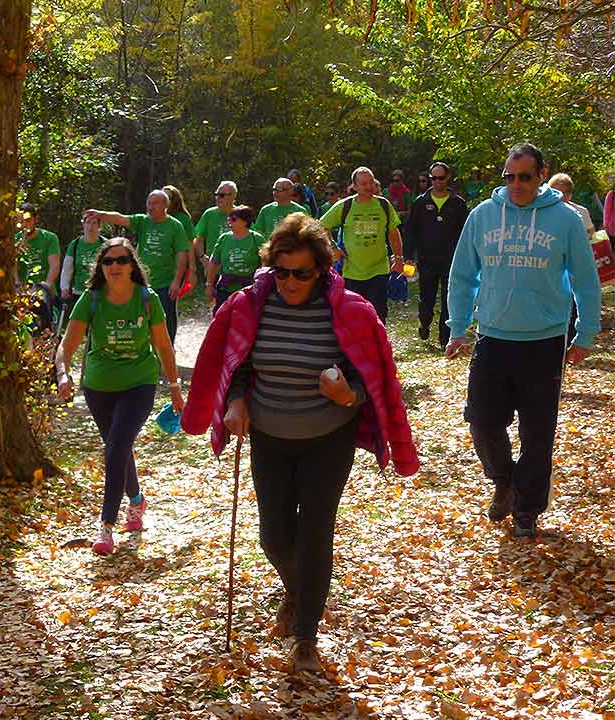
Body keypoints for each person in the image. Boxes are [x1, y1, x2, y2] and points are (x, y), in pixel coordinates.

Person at [182, 214, 418, 675]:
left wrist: (347, 394)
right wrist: (235, 400)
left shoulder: (349, 311)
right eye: (282, 271)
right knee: (273, 535)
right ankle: (299, 588)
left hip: (329, 437)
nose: (290, 282)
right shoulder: (251, 307)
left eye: (302, 273)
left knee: (315, 531)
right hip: (270, 435)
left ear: (322, 269)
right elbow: (239, 364)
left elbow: (372, 377)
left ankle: (306, 634)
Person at [446, 143, 601, 537]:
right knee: (482, 422)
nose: (517, 184)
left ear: (541, 175)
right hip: (493, 337)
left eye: (525, 177)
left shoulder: (565, 219)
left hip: (544, 342)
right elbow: (462, 275)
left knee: (537, 434)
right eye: (510, 177)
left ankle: (527, 510)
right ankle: (504, 481)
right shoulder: (483, 216)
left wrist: (585, 333)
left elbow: (585, 279)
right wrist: (458, 327)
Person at [54, 238, 183, 555]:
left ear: (132, 265)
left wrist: (175, 387)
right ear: (100, 266)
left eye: (121, 260)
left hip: (139, 383)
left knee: (116, 447)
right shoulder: (91, 299)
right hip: (98, 387)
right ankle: (136, 500)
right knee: (118, 447)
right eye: (108, 261)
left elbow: (163, 345)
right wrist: (63, 374)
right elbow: (67, 345)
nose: (115, 266)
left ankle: (106, 527)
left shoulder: (147, 299)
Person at [84, 190, 191, 345]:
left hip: (165, 283)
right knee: (140, 318)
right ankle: (143, 349)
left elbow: (182, 255)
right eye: (149, 203)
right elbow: (121, 218)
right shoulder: (143, 221)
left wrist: (176, 281)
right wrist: (100, 214)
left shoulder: (175, 226)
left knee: (166, 319)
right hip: (142, 282)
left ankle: (167, 349)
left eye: (155, 203)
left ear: (165, 206)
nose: (150, 207)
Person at [319, 167, 404, 323]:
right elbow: (322, 226)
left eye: (371, 182)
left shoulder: (383, 205)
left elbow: (393, 232)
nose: (369, 187)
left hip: (379, 269)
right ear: (354, 186)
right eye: (364, 184)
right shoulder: (345, 206)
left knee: (378, 315)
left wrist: (398, 257)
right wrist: (333, 247)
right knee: (354, 316)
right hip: (352, 271)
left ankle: (377, 339)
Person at [403, 162, 468, 346]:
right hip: (427, 260)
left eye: (441, 178)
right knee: (427, 300)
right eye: (433, 178)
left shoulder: (458, 203)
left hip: (451, 261)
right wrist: (408, 257)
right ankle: (424, 323)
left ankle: (444, 337)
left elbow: (466, 233)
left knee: (448, 299)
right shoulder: (420, 202)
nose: (437, 182)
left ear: (448, 178)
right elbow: (410, 231)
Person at [206, 205, 262, 314]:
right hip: (225, 288)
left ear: (245, 221)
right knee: (221, 318)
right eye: (229, 219)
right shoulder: (224, 238)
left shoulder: (257, 239)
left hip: (249, 290)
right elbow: (214, 262)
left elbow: (265, 265)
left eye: (233, 219)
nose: (229, 222)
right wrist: (209, 285)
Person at [60, 213, 106, 317]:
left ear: (99, 226)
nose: (90, 226)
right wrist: (64, 288)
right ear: (83, 224)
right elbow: (67, 269)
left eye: (94, 223)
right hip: (79, 292)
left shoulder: (105, 244)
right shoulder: (75, 245)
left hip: (101, 293)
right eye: (88, 222)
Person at [15, 202, 61, 293]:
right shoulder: (14, 240)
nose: (25, 224)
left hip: (45, 291)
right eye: (21, 221)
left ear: (35, 219)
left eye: (28, 220)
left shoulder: (50, 238)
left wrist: (45, 287)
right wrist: (17, 285)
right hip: (22, 292)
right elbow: (12, 266)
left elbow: (54, 266)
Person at [195, 181, 239, 271]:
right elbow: (198, 238)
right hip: (213, 269)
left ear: (233, 196)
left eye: (222, 195)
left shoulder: (241, 214)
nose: (218, 198)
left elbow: (252, 237)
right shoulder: (209, 214)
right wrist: (202, 257)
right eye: (216, 195)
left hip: (236, 269)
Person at [548, 173, 596, 238]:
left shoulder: (581, 212)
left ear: (570, 194)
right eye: (553, 192)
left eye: (563, 193)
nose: (557, 196)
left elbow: (591, 234)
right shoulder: (541, 210)